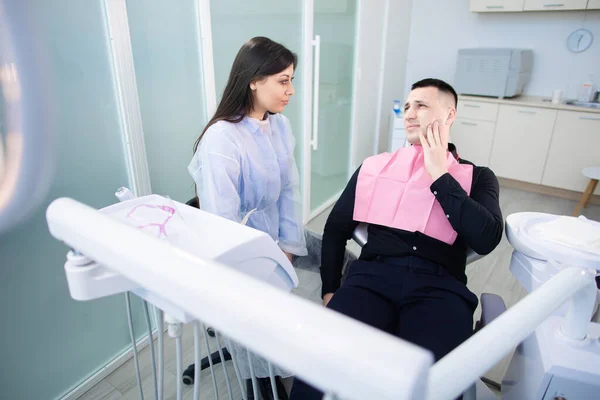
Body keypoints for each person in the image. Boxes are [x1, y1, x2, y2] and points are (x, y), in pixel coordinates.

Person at [289, 78, 503, 399]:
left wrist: (439, 174)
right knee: (318, 367)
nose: (409, 114)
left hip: (441, 287)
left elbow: (486, 238)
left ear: (449, 115)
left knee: (436, 385)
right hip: (371, 278)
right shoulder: (374, 168)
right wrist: (331, 288)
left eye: (421, 105)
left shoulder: (478, 176)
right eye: (406, 107)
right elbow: (335, 229)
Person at [187, 36, 308, 399]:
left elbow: (290, 190)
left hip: (272, 237)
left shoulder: (280, 126)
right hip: (237, 251)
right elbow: (221, 222)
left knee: (334, 255)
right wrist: (261, 264)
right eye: (283, 81)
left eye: (291, 80)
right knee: (260, 337)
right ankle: (260, 380)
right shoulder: (222, 139)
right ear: (254, 80)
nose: (291, 91)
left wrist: (287, 245)